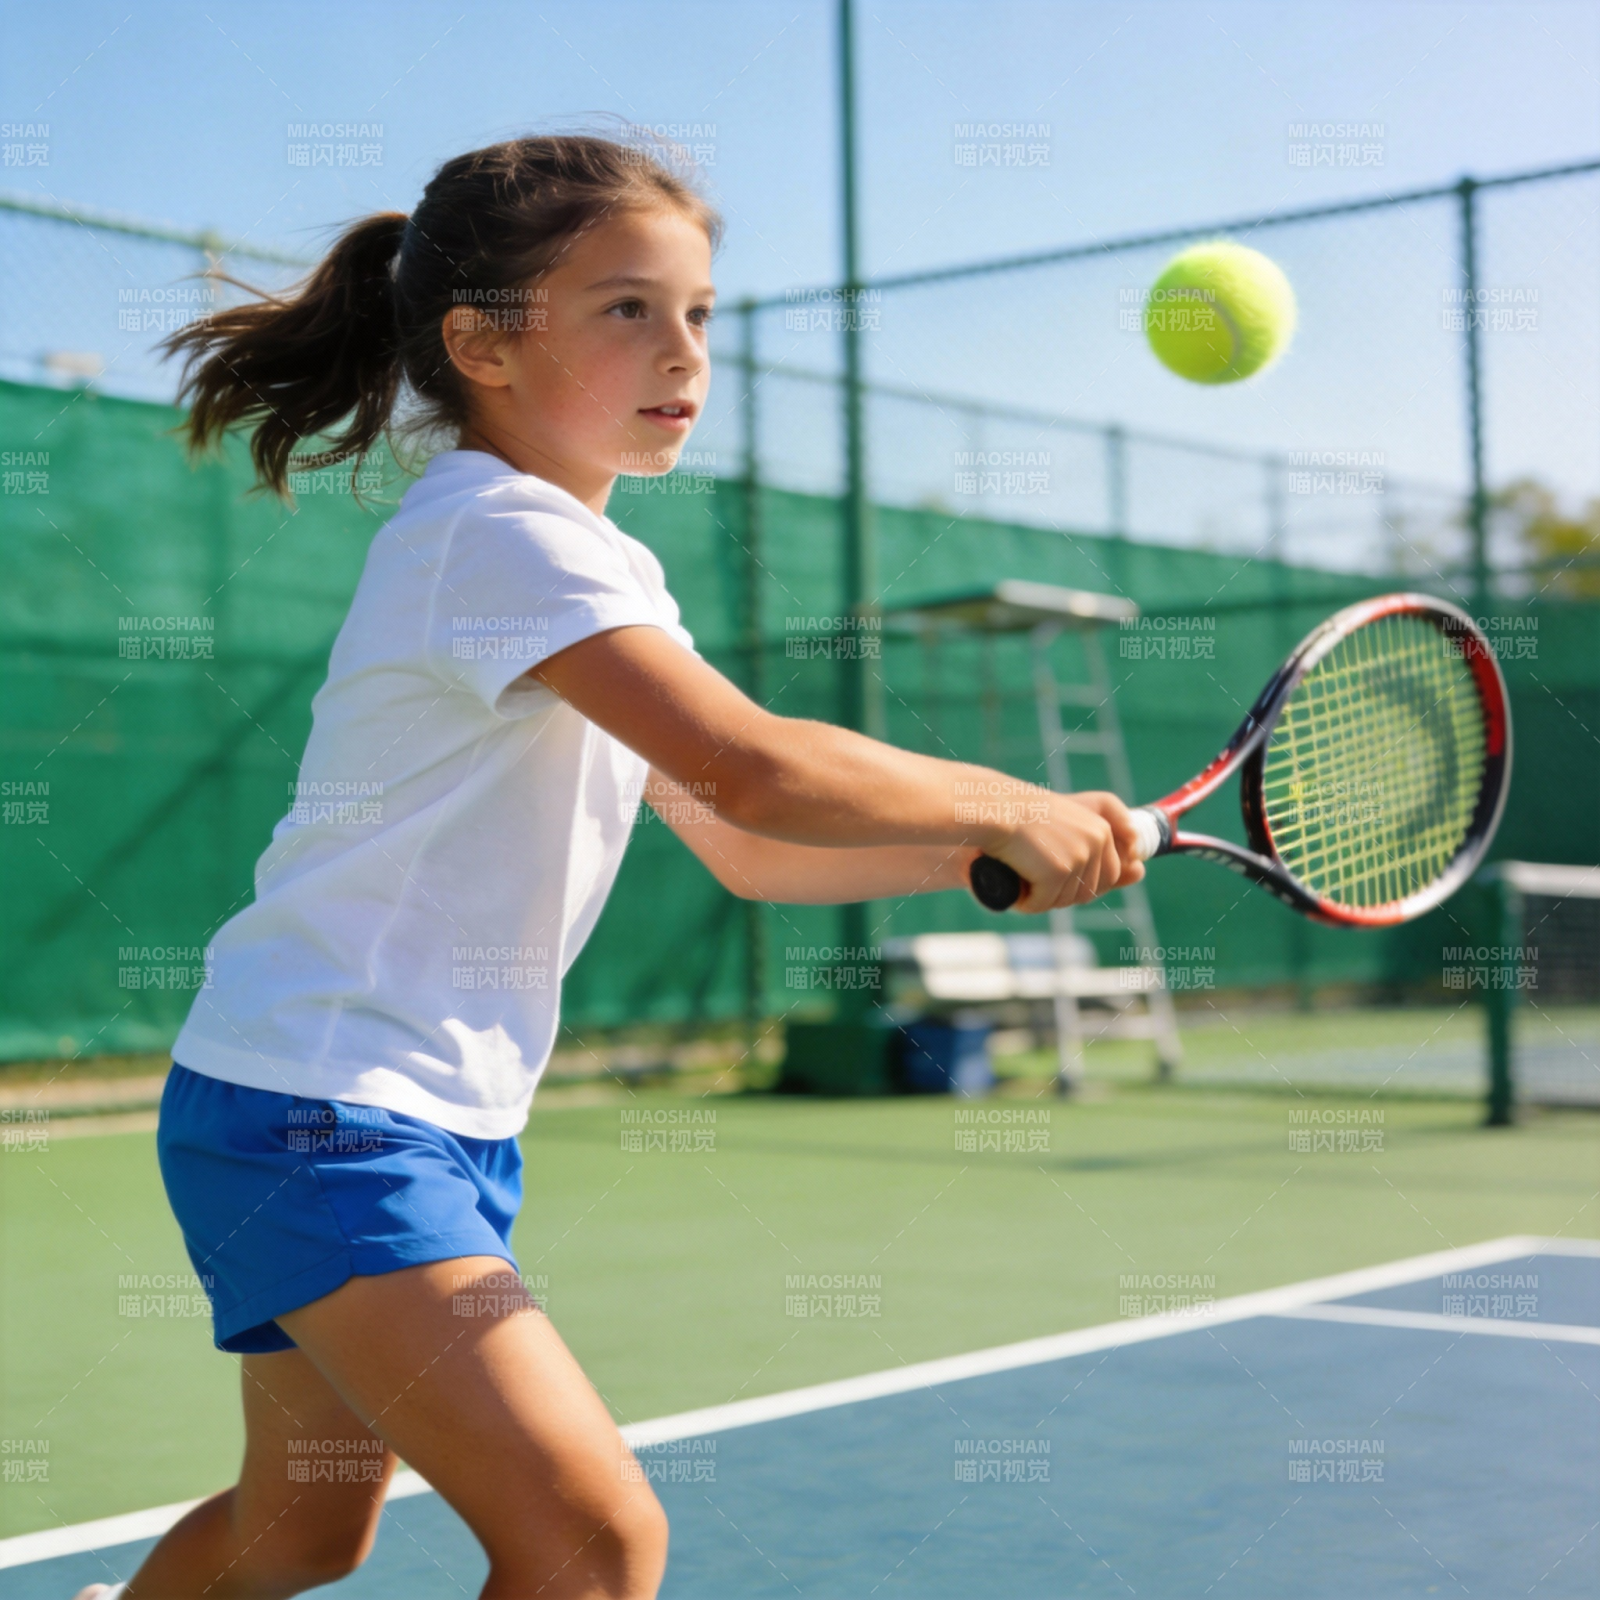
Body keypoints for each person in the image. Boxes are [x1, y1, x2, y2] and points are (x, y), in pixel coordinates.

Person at [76, 131, 1139, 1600]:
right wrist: (1006, 797)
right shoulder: (498, 536)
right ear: (481, 344)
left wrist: (975, 852)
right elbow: (752, 764)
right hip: (325, 1114)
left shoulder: (590, 563)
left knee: (306, 1528)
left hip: (370, 1104)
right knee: (591, 1541)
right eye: (627, 309)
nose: (683, 351)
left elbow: (750, 846)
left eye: (700, 313)